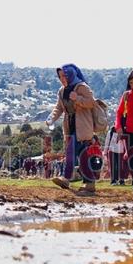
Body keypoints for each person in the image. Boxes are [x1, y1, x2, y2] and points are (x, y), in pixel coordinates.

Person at [46, 64, 97, 196]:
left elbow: (91, 102)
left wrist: (77, 98)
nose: (62, 78)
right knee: (83, 157)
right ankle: (90, 184)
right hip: (70, 126)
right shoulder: (62, 91)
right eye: (60, 76)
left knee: (70, 150)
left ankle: (66, 178)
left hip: (83, 126)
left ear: (71, 75)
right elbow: (59, 108)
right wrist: (51, 118)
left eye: (64, 75)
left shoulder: (82, 87)